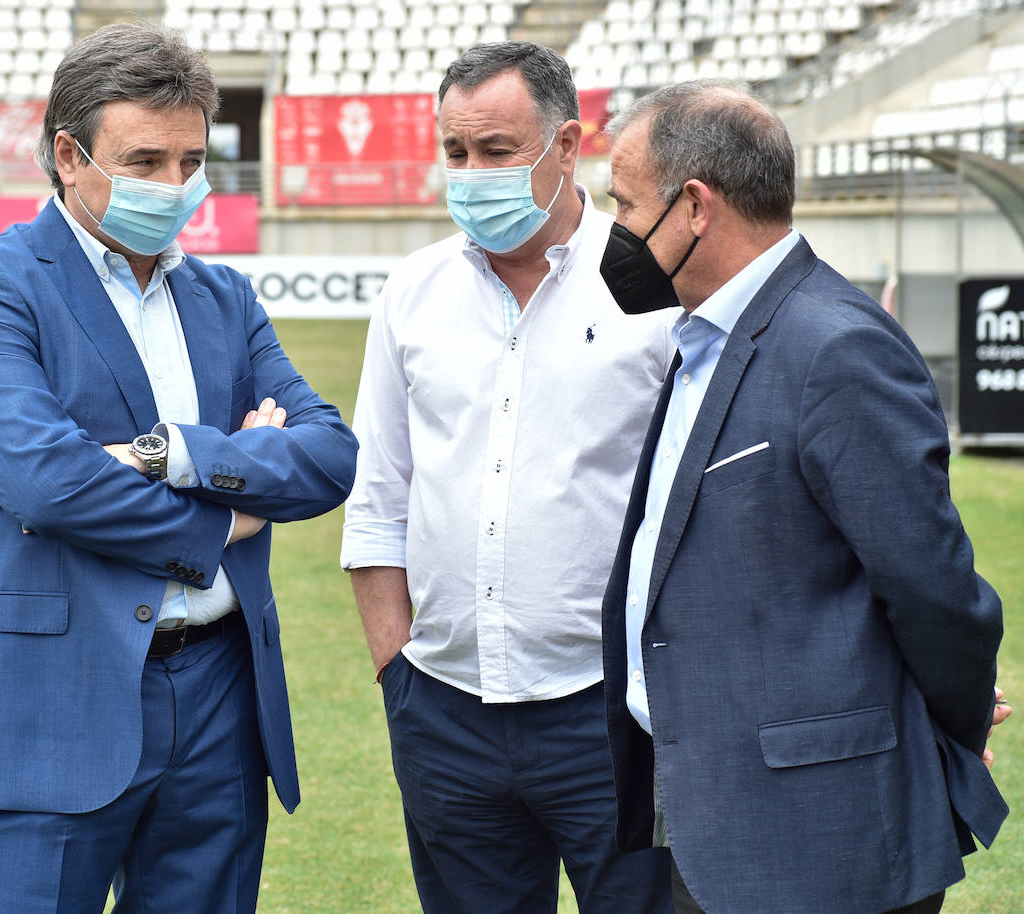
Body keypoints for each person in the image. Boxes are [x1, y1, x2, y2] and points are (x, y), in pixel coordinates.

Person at [0, 22, 357, 914]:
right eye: (145, 160)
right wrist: (226, 512)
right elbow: (48, 482)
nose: (174, 185)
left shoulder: (224, 297)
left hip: (220, 697)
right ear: (69, 155)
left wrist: (177, 453)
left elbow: (326, 456)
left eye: (190, 160)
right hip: (53, 695)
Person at [599, 80, 1010, 914]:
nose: (615, 231)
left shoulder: (836, 346)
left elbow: (933, 590)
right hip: (711, 813)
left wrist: (952, 733)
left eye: (625, 203)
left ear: (695, 207)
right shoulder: (705, 337)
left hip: (820, 841)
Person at [341, 42, 676, 914]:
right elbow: (378, 496)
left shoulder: (654, 287)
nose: (471, 173)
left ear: (567, 147)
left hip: (614, 715)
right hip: (443, 714)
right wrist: (398, 677)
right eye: (456, 153)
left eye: (497, 151)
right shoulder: (412, 291)